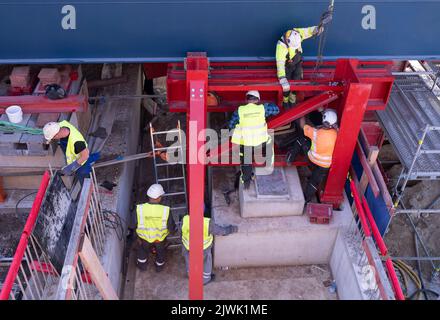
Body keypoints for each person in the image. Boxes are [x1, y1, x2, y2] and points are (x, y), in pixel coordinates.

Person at [229, 90, 279, 189]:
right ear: (258, 100)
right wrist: (267, 104)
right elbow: (276, 110)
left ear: (246, 100)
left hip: (246, 143)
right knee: (270, 140)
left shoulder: (240, 110)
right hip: (260, 142)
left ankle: (246, 183)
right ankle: (269, 163)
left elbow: (231, 125)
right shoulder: (263, 108)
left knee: (246, 162)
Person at [285, 109, 338, 202]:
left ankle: (290, 159)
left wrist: (303, 114)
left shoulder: (315, 133)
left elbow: (303, 126)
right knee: (314, 182)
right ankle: (306, 199)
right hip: (325, 165)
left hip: (312, 159)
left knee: (301, 140)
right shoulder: (336, 134)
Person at [181, 213, 238, 285]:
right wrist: (232, 229)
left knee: (190, 262)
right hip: (203, 249)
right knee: (206, 263)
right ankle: (205, 279)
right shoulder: (207, 223)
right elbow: (222, 231)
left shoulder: (185, 219)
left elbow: (181, 232)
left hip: (188, 247)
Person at [276, 25, 324, 109]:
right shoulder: (281, 47)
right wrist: (282, 78)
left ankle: (292, 97)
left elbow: (307, 31)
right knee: (286, 86)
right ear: (288, 41)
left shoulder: (297, 34)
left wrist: (316, 29)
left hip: (297, 62)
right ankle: (285, 100)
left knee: (297, 80)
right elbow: (280, 63)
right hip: (287, 66)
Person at [135, 183, 175, 272]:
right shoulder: (165, 210)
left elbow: (134, 223)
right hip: (159, 239)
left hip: (144, 238)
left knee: (142, 251)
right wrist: (172, 232)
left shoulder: (140, 208)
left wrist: (136, 236)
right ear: (159, 197)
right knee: (161, 252)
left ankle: (142, 266)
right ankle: (159, 267)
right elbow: (171, 226)